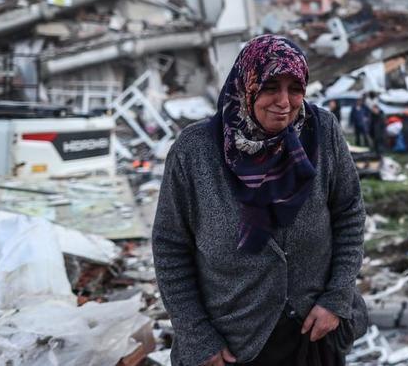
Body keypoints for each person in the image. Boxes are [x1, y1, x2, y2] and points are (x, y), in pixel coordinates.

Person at [153, 35, 368, 366]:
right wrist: (198, 337)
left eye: (294, 88)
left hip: (313, 335)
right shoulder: (194, 151)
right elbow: (170, 246)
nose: (284, 101)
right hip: (233, 344)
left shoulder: (321, 131)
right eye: (270, 87)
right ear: (246, 86)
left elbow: (349, 213)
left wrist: (337, 298)